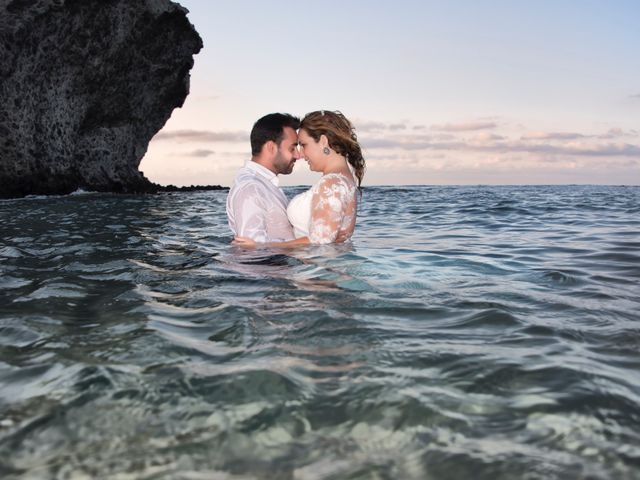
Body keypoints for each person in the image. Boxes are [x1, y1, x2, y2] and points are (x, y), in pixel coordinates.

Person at [234, 110, 365, 248]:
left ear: (323, 142)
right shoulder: (343, 180)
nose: (300, 154)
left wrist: (261, 246)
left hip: (318, 268)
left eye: (303, 145)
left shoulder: (332, 183)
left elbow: (320, 241)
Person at [226, 113, 301, 242]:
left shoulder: (263, 185)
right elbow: (251, 253)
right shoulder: (251, 189)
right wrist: (307, 243)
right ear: (271, 147)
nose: (298, 155)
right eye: (292, 148)